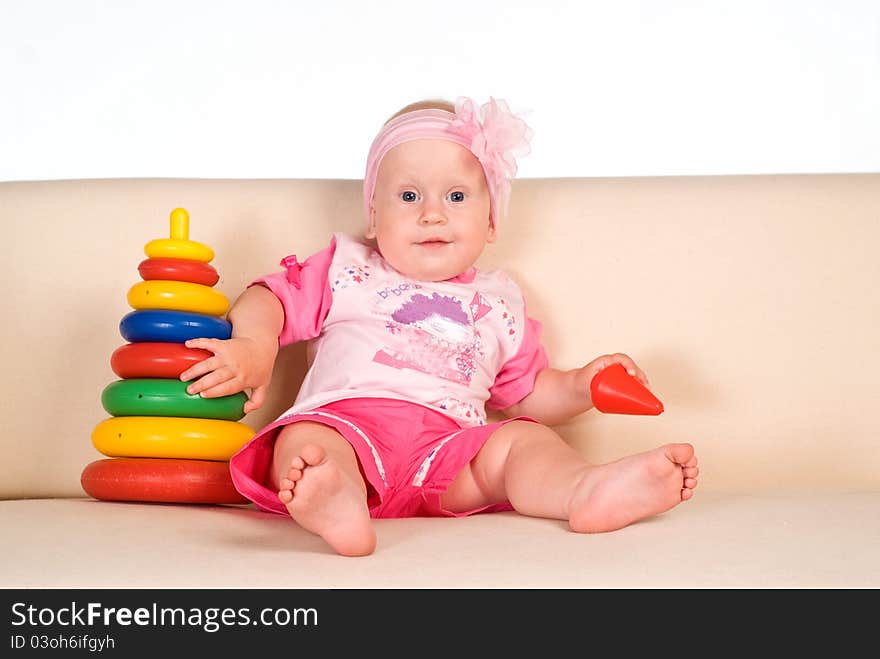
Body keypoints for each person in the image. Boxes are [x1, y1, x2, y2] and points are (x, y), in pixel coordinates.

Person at [179, 97, 699, 556]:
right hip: (349, 426)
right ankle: (336, 497)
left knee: (520, 440)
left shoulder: (499, 302)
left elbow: (526, 395)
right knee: (307, 439)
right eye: (408, 197)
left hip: (449, 453)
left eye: (456, 197)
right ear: (373, 218)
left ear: (492, 220)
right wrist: (254, 343)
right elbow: (269, 297)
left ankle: (584, 490)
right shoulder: (349, 269)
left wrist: (583, 384)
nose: (432, 215)